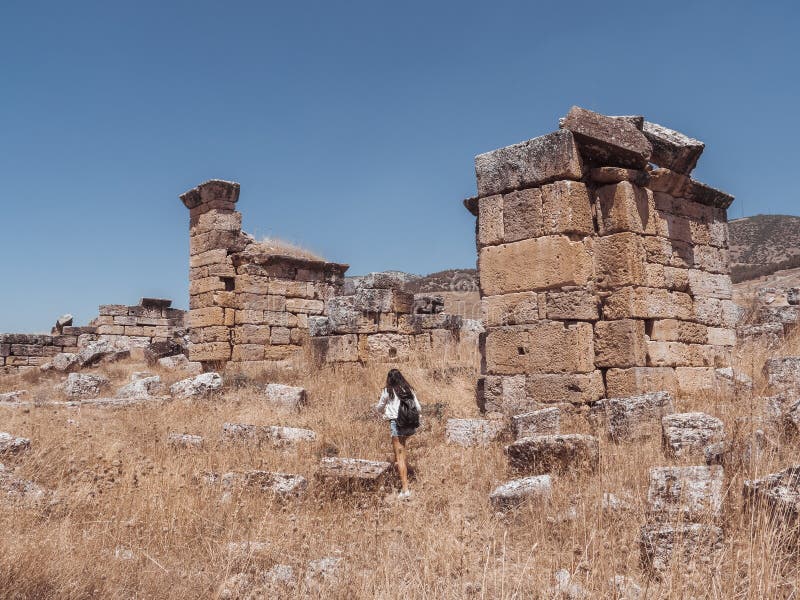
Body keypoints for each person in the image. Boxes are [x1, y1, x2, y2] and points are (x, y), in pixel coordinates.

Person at [374, 369, 421, 499]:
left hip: (396, 424)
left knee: (399, 457)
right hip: (408, 425)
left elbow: (379, 407)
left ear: (389, 379)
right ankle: (401, 477)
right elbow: (418, 408)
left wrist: (383, 412)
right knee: (402, 452)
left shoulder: (388, 391)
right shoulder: (408, 389)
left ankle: (405, 490)